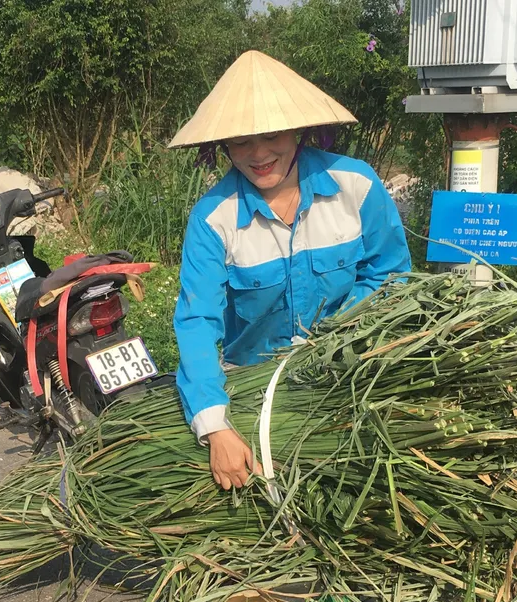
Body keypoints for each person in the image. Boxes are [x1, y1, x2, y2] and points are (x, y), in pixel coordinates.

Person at [168, 50, 412, 491]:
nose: (258, 154)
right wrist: (216, 426)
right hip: (251, 389)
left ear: (298, 130)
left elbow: (390, 276)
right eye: (241, 141)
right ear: (222, 146)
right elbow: (197, 321)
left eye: (271, 135)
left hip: (348, 377)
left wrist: (334, 337)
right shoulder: (213, 218)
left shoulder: (354, 186)